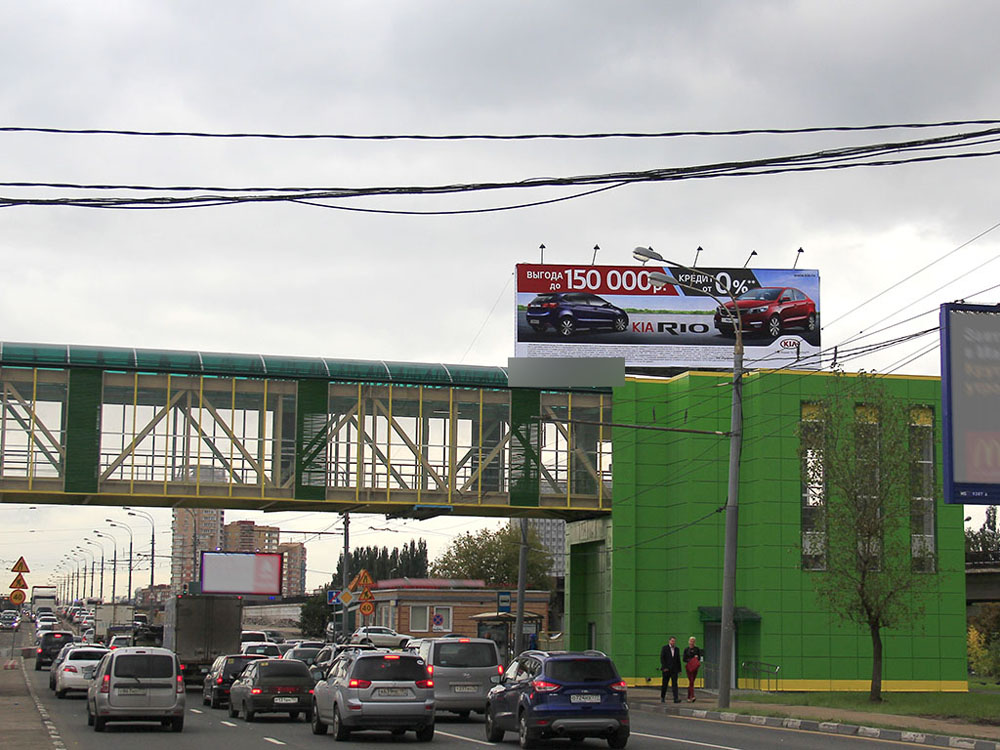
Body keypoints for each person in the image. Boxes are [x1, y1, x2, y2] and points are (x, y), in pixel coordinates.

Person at [659, 636, 681, 703]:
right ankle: (663, 697)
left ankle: (675, 698)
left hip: (674, 670)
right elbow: (662, 658)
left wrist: (679, 670)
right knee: (665, 684)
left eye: (674, 641)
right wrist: (664, 667)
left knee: (675, 684)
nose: (673, 642)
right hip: (666, 669)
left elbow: (678, 660)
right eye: (672, 641)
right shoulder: (665, 648)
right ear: (669, 641)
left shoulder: (677, 649)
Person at [682, 636, 703, 702]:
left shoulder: (697, 649)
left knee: (692, 682)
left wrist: (696, 658)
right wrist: (690, 660)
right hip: (689, 667)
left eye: (693, 641)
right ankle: (693, 696)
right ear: (689, 641)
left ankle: (689, 697)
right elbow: (684, 659)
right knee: (691, 681)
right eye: (691, 641)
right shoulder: (686, 649)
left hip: (695, 667)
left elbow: (699, 658)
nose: (692, 642)